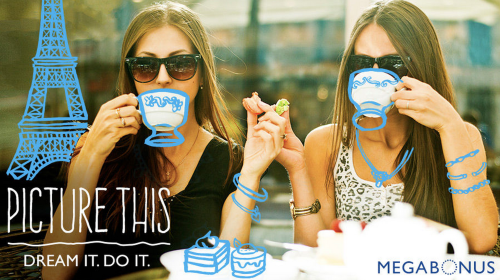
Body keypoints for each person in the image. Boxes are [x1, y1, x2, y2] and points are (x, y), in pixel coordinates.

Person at [42, 2, 285, 280]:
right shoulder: (100, 146)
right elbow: (53, 272)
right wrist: (90, 158)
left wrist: (251, 176)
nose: (162, 78)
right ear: (132, 78)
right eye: (145, 66)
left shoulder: (229, 159)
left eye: (180, 65)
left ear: (203, 73)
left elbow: (225, 270)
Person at [245, 0, 498, 254]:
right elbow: (316, 252)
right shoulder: (327, 143)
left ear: (422, 67)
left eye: (392, 63)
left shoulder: (458, 135)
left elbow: (481, 241)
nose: (373, 74)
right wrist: (297, 167)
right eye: (361, 62)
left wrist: (449, 123)